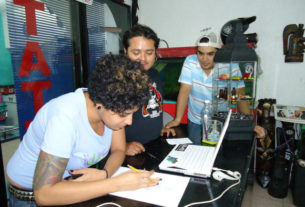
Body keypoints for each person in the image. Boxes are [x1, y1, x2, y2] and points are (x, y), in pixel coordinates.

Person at [6, 54, 160, 207]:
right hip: (29, 196)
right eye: (124, 114)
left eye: (132, 113)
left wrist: (105, 173)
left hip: (65, 185)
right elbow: (44, 194)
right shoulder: (65, 117)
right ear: (100, 103)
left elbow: (119, 149)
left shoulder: (113, 105)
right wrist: (116, 184)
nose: (129, 121)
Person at [165, 31, 265, 145]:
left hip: (219, 121)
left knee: (218, 153)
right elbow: (184, 91)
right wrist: (177, 119)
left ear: (219, 52)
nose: (204, 59)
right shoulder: (190, 61)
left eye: (210, 54)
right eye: (200, 53)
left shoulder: (231, 66)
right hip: (195, 120)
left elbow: (240, 97)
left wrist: (250, 124)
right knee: (196, 152)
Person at [122, 24, 175, 156]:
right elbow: (104, 122)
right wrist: (122, 146)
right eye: (136, 52)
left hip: (154, 144)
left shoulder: (154, 73)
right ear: (125, 51)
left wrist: (158, 128)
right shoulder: (119, 79)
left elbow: (155, 106)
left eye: (149, 52)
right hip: (130, 151)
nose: (143, 58)